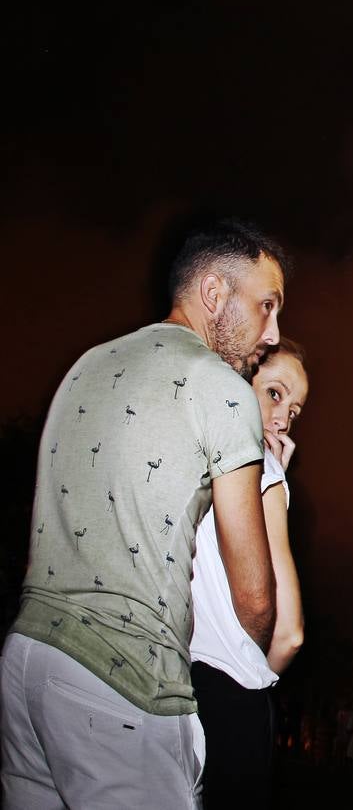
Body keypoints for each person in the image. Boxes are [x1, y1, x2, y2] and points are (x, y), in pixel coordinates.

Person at [1, 218, 286, 808]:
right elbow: (255, 595)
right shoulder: (222, 388)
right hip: (121, 677)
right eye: (266, 306)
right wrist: (240, 666)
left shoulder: (87, 363)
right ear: (214, 294)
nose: (274, 332)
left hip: (26, 663)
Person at [189, 337, 310, 807]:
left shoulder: (198, 464)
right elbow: (290, 635)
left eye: (295, 411)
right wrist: (251, 681)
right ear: (241, 382)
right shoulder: (266, 475)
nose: (282, 418)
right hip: (233, 696)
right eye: (275, 394)